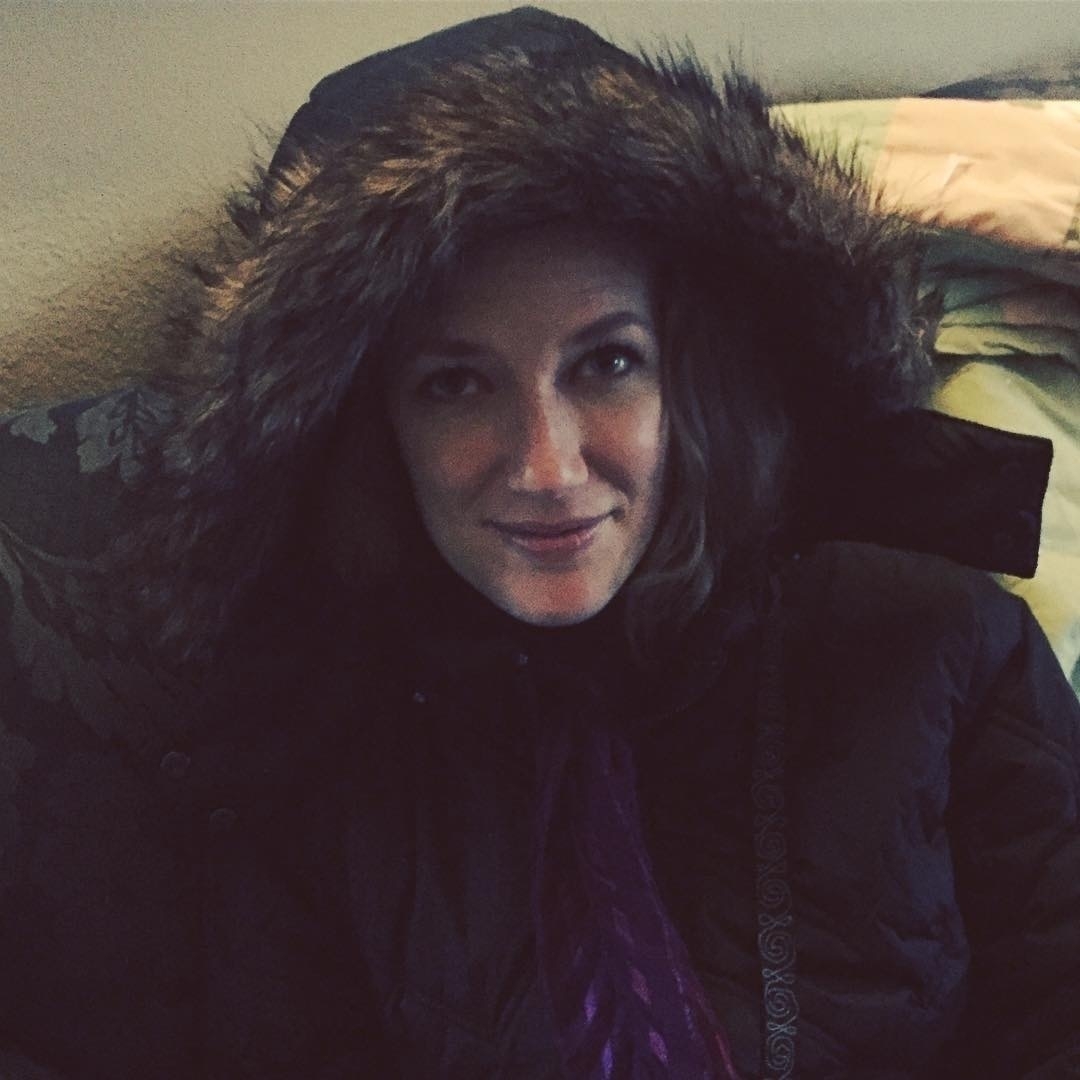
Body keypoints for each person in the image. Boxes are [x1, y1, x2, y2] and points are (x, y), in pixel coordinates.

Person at [2, 6, 1078, 1078]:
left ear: (693, 379)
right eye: (455, 384)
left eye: (605, 364)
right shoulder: (311, 741)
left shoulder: (935, 648)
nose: (547, 467)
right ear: (375, 429)